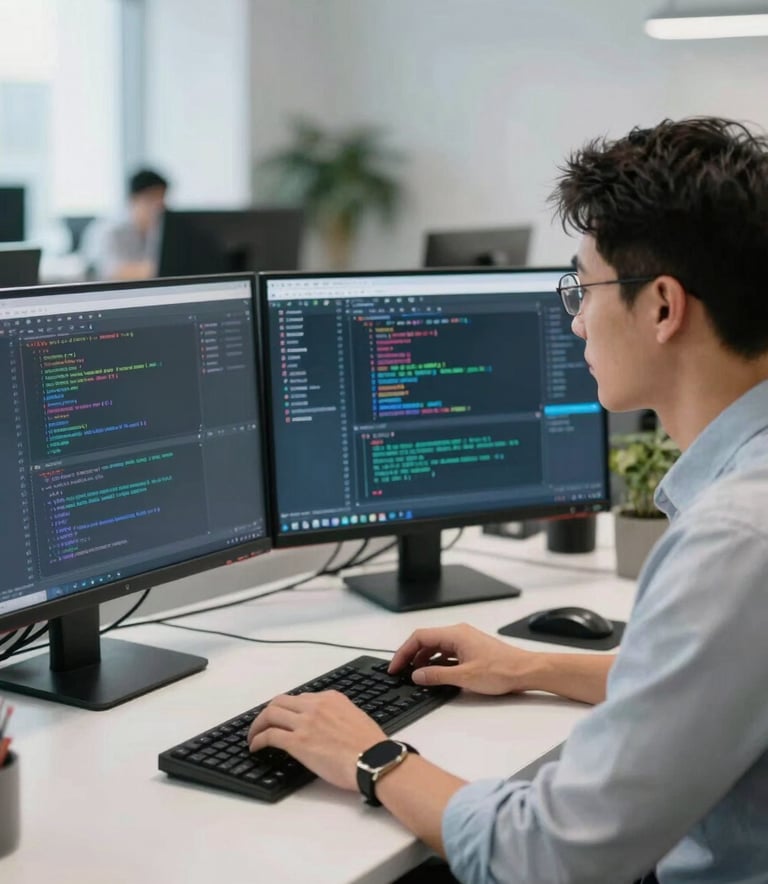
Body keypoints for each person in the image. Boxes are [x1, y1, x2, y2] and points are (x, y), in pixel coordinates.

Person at [247, 117, 768, 883]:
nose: (576, 319)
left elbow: (548, 855)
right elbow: (714, 686)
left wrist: (372, 756)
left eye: (582, 289)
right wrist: (531, 665)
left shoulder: (735, 541)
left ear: (663, 307)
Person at [83, 168, 169, 281]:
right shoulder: (108, 229)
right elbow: (112, 271)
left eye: (162, 199)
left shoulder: (159, 229)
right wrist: (165, 268)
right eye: (152, 199)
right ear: (133, 199)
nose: (159, 206)